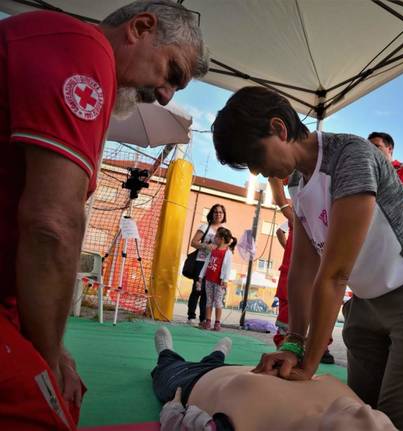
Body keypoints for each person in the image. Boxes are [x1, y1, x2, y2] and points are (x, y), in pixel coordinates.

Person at [212, 86, 403, 430]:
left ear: (279, 129)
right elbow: (303, 270)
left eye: (255, 157)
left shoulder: (350, 156)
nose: (258, 171)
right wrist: (294, 341)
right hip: (368, 299)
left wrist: (307, 362)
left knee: (398, 422)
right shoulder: (297, 184)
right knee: (356, 414)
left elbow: (334, 273)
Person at [0, 2, 208, 430]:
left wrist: (52, 346)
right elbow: (52, 225)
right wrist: (48, 355)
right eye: (172, 72)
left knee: (66, 392)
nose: (166, 93)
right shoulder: (87, 50)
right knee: (42, 409)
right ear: (141, 28)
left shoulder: (74, 53)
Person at [150, 327, 397, 431]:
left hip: (191, 380)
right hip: (245, 368)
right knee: (215, 360)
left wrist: (174, 407)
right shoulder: (347, 404)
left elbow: (181, 424)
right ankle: (218, 353)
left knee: (167, 367)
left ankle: (165, 352)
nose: (369, 415)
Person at [268, 177, 335, 364]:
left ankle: (320, 346)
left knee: (322, 295)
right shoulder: (300, 184)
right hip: (296, 263)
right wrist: (284, 208)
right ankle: (286, 341)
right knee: (291, 295)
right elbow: (274, 175)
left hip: (324, 259)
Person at [187, 204, 227, 326]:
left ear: (223, 215)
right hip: (200, 261)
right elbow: (193, 242)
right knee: (197, 289)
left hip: (214, 265)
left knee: (207, 292)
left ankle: (204, 319)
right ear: (211, 214)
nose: (218, 214)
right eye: (215, 212)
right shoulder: (205, 227)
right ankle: (191, 317)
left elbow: (226, 247)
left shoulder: (224, 230)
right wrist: (206, 246)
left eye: (220, 212)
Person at [196, 227, 236, 331]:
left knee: (218, 301)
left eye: (216, 236)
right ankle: (208, 321)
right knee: (209, 300)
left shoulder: (228, 253)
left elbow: (228, 267)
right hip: (209, 279)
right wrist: (201, 276)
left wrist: (225, 280)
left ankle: (217, 323)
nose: (214, 238)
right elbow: (206, 263)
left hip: (219, 281)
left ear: (222, 239)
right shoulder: (213, 250)